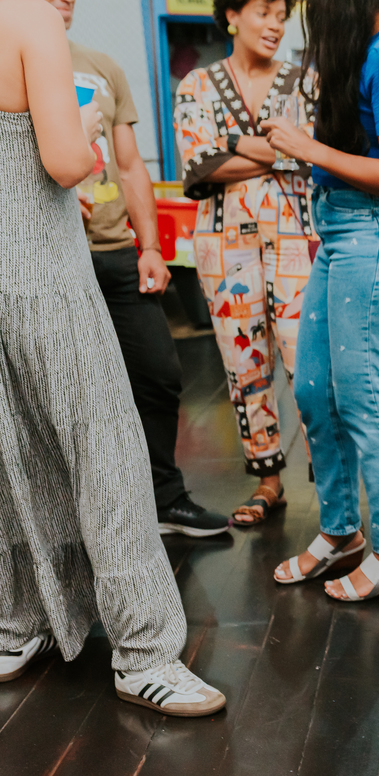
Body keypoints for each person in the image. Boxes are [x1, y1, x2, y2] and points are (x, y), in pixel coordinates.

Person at [0, 0, 224, 714]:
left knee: (13, 454)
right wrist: (88, 128)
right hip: (41, 270)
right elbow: (66, 162)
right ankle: (144, 651)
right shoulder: (29, 18)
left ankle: (17, 623)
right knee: (108, 452)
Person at [263, 0, 379, 600]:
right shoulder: (371, 47)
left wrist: (305, 148)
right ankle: (342, 533)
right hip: (344, 231)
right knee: (314, 388)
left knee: (366, 399)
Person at [49, 0, 230, 538]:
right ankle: (76, 526)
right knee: (68, 395)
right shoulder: (15, 63)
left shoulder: (103, 66)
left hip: (117, 252)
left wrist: (149, 245)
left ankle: (163, 499)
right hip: (54, 259)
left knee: (159, 374)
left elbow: (128, 164)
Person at [173, 0, 319, 526]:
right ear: (232, 15)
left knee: (308, 363)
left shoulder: (307, 82)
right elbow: (198, 167)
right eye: (263, 11)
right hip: (221, 244)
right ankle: (268, 479)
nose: (276, 24)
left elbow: (312, 154)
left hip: (296, 239)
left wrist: (232, 142)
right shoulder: (196, 85)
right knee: (244, 364)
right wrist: (276, 148)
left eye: (283, 13)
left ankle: (332, 486)